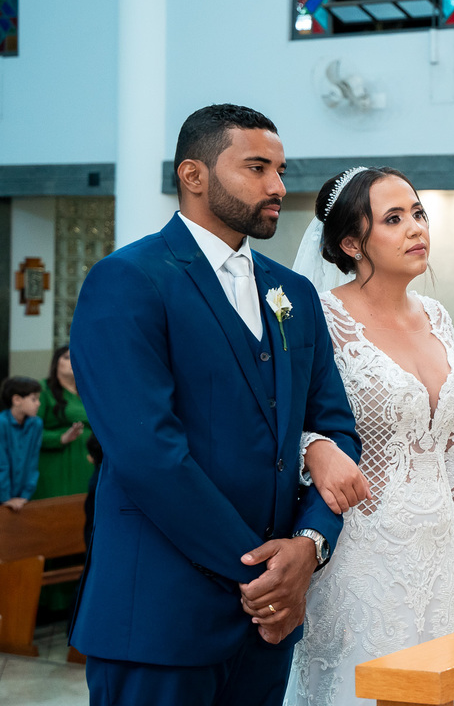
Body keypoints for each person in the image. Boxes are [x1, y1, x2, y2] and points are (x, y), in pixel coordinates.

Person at [69, 104, 362, 706]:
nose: (278, 186)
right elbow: (149, 455)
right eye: (257, 167)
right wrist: (264, 573)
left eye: (281, 170)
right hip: (159, 615)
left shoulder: (295, 294)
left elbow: (333, 426)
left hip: (268, 622)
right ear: (193, 175)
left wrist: (309, 546)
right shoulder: (128, 280)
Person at [286, 166, 454, 706]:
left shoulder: (437, 317)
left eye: (418, 214)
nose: (416, 229)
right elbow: (280, 420)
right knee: (360, 685)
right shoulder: (321, 318)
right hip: (359, 545)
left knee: (426, 688)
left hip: (436, 547)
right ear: (352, 243)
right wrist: (315, 447)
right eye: (394, 219)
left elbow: (452, 443)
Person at [33, 345, 92, 499]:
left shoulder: (89, 392)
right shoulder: (43, 390)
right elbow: (29, 432)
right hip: (55, 466)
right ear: (55, 363)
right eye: (66, 357)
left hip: (88, 462)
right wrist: (60, 438)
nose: (72, 361)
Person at [0, 376, 43, 513]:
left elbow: (33, 462)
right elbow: (2, 464)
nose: (38, 403)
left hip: (22, 498)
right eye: (34, 399)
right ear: (17, 400)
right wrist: (5, 497)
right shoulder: (2, 423)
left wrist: (25, 496)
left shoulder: (36, 424)